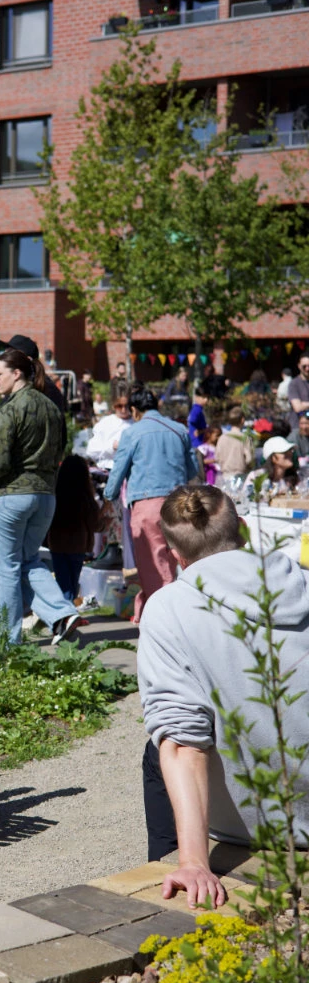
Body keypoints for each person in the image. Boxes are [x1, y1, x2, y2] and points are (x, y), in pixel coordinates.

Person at [137, 485, 309, 908]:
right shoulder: (303, 583)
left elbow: (182, 741)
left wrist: (195, 862)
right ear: (245, 531)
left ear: (175, 553)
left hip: (261, 828)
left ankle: (167, 861)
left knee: (158, 747)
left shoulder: (169, 608)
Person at [0, 347, 80, 646]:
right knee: (27, 561)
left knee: (5, 569)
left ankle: (5, 641)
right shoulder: (52, 408)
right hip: (45, 496)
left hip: (12, 496)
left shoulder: (10, 409)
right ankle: (63, 613)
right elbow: (62, 449)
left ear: (17, 373)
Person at [104, 383, 198, 622]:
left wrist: (108, 497)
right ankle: (176, 610)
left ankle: (162, 617)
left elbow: (118, 472)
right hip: (180, 502)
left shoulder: (132, 433)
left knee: (152, 563)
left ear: (135, 411)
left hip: (147, 504)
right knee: (178, 556)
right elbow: (192, 469)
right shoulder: (179, 429)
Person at [47, 455, 105, 601]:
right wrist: (106, 519)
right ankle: (68, 613)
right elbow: (96, 525)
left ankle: (65, 613)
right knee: (72, 581)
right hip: (77, 544)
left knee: (63, 581)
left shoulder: (55, 495)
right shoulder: (85, 497)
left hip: (56, 543)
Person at [85, 389, 131, 469]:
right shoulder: (105, 423)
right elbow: (91, 451)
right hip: (109, 469)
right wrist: (111, 447)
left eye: (126, 406)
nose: (123, 410)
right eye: (119, 406)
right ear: (114, 405)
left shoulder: (136, 423)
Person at [214, 407, 254, 478]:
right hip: (240, 475)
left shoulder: (222, 438)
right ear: (242, 420)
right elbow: (249, 459)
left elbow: (217, 457)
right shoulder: (244, 438)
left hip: (225, 475)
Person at [286, 354, 309, 431]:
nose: (307, 368)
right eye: (304, 366)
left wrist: (304, 404)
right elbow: (298, 408)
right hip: (298, 428)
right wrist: (301, 405)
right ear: (299, 366)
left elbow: (301, 406)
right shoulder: (294, 384)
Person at [186, 383, 209, 448]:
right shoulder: (197, 409)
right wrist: (201, 431)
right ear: (196, 397)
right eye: (203, 397)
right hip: (197, 444)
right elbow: (192, 420)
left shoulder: (197, 408)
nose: (206, 400)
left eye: (207, 397)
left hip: (195, 442)